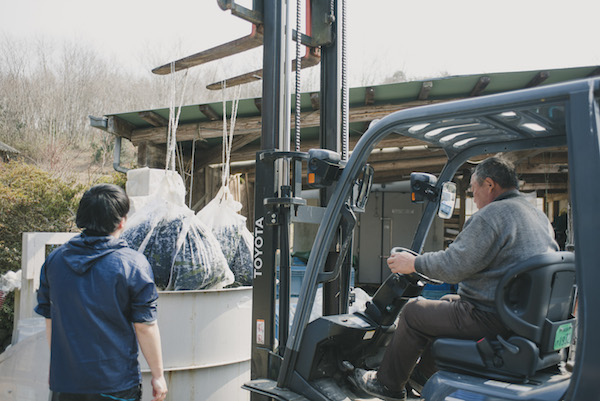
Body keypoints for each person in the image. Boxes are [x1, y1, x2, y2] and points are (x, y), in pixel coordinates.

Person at [354, 157, 559, 401]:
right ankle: (423, 375)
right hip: (519, 316)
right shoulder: (537, 216)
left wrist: (414, 264)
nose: (473, 195)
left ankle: (388, 385)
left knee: (413, 312)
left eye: (473, 189)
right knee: (449, 300)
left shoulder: (492, 215)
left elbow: (454, 266)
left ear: (489, 185)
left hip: (492, 317)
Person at [35, 184, 168, 401]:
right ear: (122, 221)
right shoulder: (132, 264)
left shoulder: (55, 260)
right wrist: (158, 375)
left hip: (66, 382)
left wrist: (62, 366)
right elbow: (145, 327)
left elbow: (50, 318)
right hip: (115, 382)